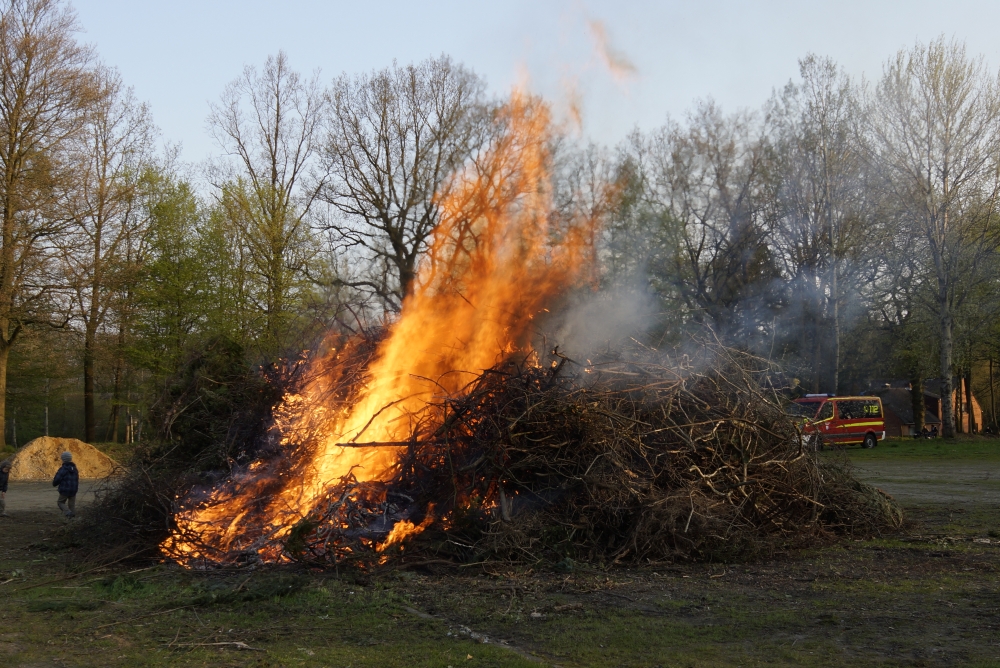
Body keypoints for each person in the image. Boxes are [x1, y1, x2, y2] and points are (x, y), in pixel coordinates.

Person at [52, 451, 79, 518]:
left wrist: (54, 483)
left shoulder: (63, 469)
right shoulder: (75, 469)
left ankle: (68, 512)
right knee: (71, 505)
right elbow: (77, 479)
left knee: (60, 502)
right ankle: (73, 520)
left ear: (63, 459)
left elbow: (58, 478)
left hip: (65, 489)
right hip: (73, 489)